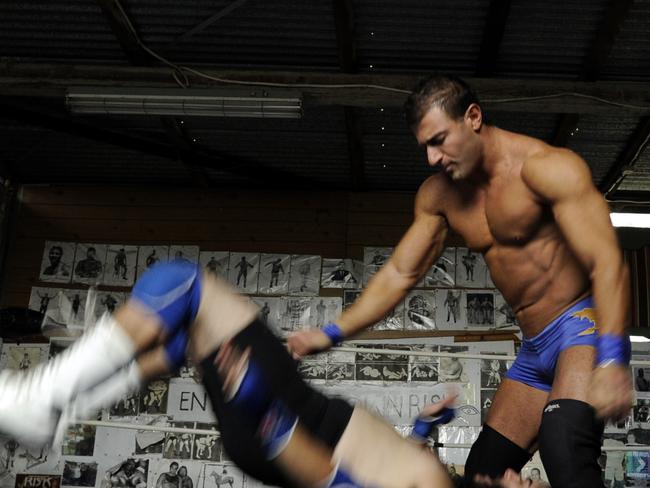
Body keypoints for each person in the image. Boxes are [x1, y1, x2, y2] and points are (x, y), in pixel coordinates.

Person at [288, 74, 633, 488]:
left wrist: (611, 359)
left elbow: (608, 262)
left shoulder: (545, 169)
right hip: (534, 348)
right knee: (483, 471)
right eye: (425, 147)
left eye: (438, 140)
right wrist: (331, 332)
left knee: (565, 444)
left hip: (581, 325)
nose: (432, 158)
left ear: (472, 117)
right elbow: (400, 274)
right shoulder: (439, 197)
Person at [0, 261, 452, 488]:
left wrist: (267, 414)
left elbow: (334, 482)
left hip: (291, 427)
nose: (523, 479)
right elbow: (389, 473)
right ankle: (63, 408)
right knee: (179, 337)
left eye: (524, 483)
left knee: (179, 281)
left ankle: (41, 399)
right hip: (284, 428)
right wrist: (421, 428)